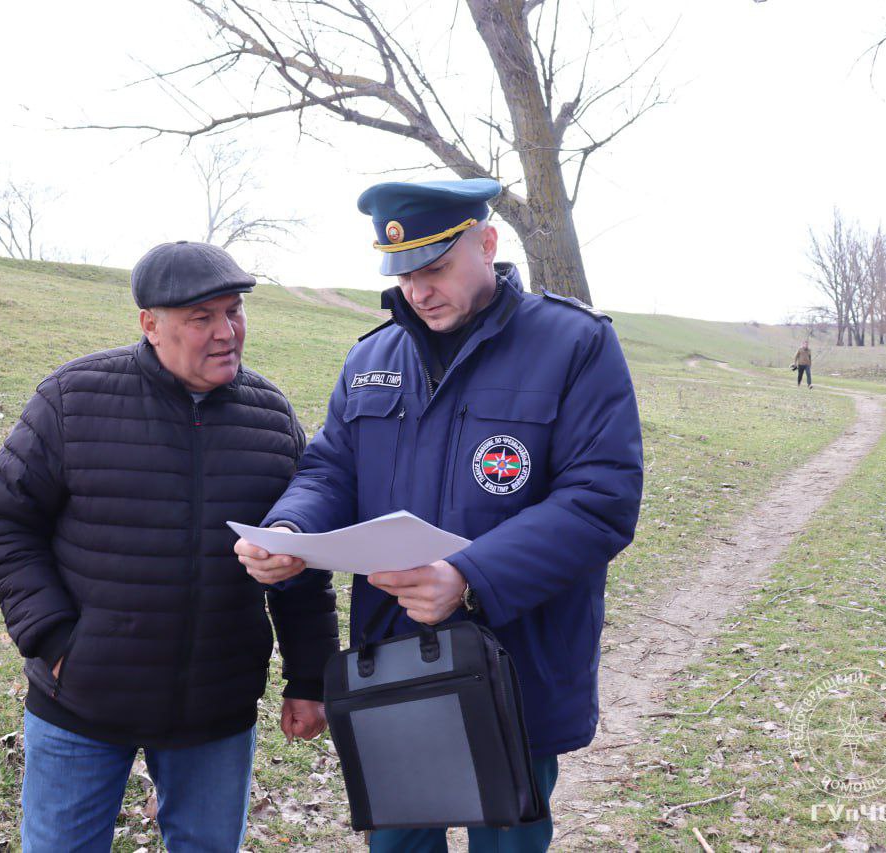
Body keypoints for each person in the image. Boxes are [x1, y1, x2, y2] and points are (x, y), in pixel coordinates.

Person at [235, 179, 644, 852]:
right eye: (403, 274)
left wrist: (470, 574)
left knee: (508, 841)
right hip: (392, 657)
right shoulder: (372, 357)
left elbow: (600, 498)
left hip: (515, 659)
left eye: (434, 269)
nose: (418, 291)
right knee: (397, 843)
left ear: (486, 243)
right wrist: (291, 529)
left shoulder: (575, 345)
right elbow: (333, 467)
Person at [0, 240, 338, 852]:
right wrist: (56, 641)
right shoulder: (74, 399)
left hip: (214, 711)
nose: (226, 332)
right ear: (150, 324)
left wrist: (310, 677)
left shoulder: (270, 418)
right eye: (203, 318)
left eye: (234, 311)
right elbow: (5, 522)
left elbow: (300, 563)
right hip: (81, 702)